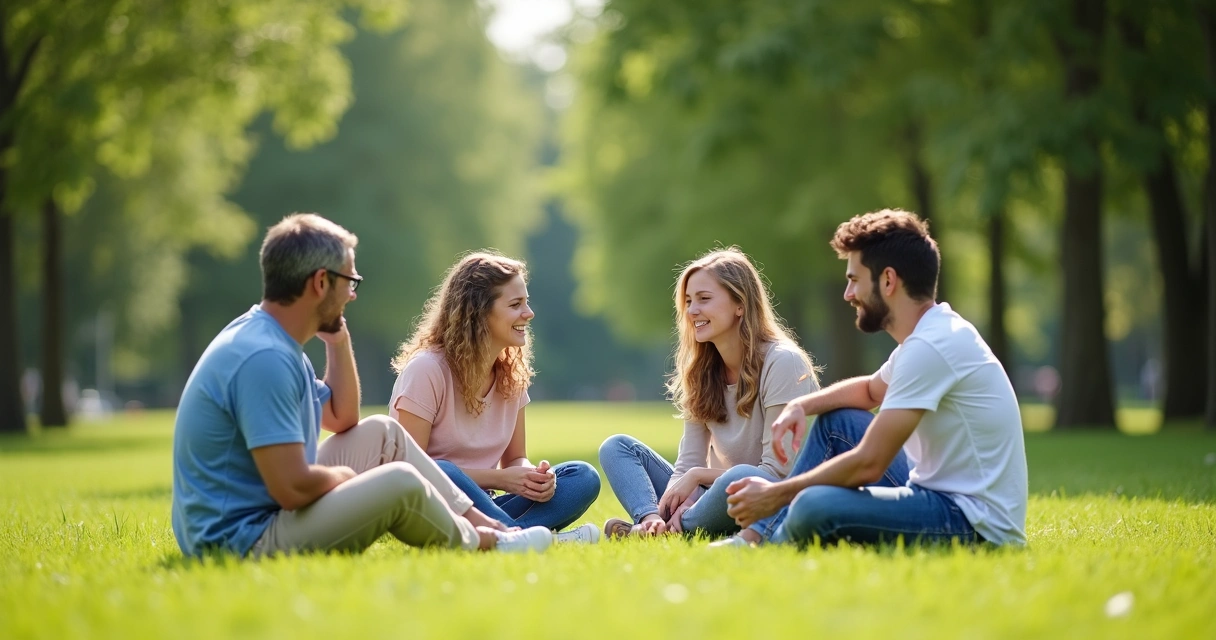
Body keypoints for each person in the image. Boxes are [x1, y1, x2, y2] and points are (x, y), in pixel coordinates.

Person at [171, 214, 552, 558]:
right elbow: (292, 488)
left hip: (263, 512)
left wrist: (338, 340)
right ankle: (490, 543)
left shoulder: (271, 341)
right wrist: (351, 480)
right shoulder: (265, 359)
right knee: (399, 480)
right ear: (321, 282)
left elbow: (342, 418)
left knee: (384, 432)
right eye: (350, 281)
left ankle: (495, 527)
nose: (353, 294)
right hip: (241, 537)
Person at [721, 209, 1028, 548]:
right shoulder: (929, 334)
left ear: (888, 280)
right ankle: (757, 536)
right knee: (838, 421)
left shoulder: (931, 347)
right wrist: (800, 405)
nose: (848, 294)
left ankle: (770, 543)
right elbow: (869, 391)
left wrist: (776, 493)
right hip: (935, 494)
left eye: (854, 280)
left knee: (812, 504)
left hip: (972, 522)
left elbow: (870, 463)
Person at [598, 247, 819, 539]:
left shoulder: (783, 362)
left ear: (740, 305)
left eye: (704, 299)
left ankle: (679, 528)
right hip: (713, 493)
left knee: (741, 477)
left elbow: (776, 473)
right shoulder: (700, 370)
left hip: (768, 495)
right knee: (617, 447)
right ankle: (653, 523)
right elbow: (688, 463)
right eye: (689, 301)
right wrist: (678, 499)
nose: (692, 311)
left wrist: (697, 477)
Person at [388, 251, 602, 543]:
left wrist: (532, 477)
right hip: (429, 506)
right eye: (515, 304)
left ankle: (511, 535)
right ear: (478, 312)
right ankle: (527, 537)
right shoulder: (426, 370)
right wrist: (500, 479)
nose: (529, 313)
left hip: (485, 506)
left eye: (526, 302)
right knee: (443, 470)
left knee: (582, 477)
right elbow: (410, 468)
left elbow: (515, 458)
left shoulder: (511, 374)